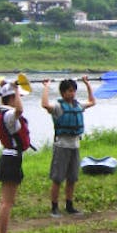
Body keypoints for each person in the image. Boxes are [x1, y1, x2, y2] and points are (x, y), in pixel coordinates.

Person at [41, 77, 95, 217]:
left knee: (72, 178)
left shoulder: (78, 105)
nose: (72, 94)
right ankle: (54, 207)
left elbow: (92, 102)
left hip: (75, 146)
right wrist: (46, 86)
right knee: (57, 178)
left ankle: (69, 206)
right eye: (70, 91)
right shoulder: (58, 107)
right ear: (63, 93)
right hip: (62, 146)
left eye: (74, 91)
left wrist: (87, 84)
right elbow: (45, 104)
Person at [0, 80, 33, 233]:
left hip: (7, 158)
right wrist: (14, 89)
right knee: (7, 201)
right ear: (11, 98)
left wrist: (6, 86)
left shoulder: (2, 111)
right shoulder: (9, 114)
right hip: (11, 159)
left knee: (5, 201)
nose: (19, 99)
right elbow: (20, 109)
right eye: (17, 97)